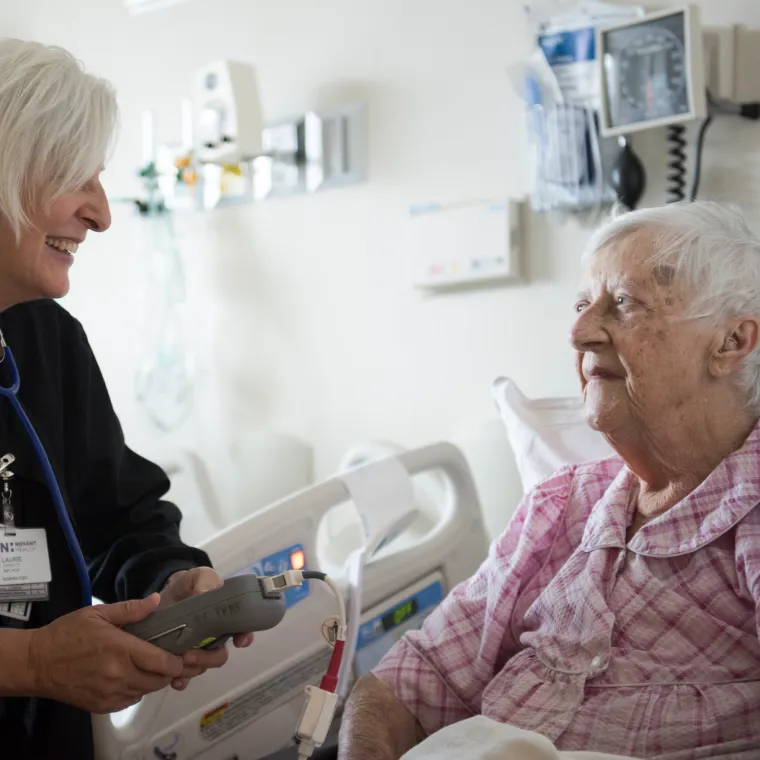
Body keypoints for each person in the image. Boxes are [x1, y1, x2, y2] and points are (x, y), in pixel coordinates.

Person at [339, 200, 760, 760]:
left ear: (730, 343)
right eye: (584, 304)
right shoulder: (560, 507)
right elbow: (403, 684)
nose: (580, 332)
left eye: (624, 304)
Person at [0, 39, 254, 758]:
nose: (102, 214)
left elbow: (117, 516)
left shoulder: (45, 342)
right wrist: (31, 663)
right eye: (74, 177)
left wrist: (170, 584)